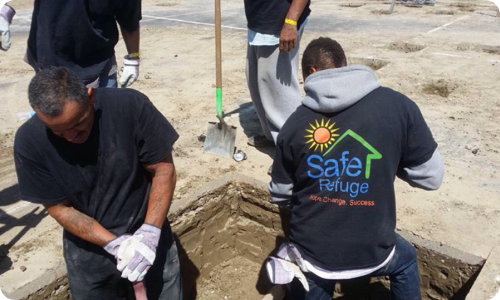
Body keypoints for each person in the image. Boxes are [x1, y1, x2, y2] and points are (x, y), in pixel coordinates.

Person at [267, 37, 444, 300]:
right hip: (374, 249)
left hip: (314, 252)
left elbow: (280, 195)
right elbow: (431, 178)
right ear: (344, 65)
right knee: (405, 261)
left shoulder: (293, 124)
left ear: (312, 72)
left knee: (311, 276)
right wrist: (390, 162)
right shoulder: (398, 106)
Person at [14, 67, 182, 299]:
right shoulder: (30, 141)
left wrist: (151, 232)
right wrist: (114, 244)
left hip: (148, 235)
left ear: (90, 97)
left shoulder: (130, 107)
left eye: (77, 124)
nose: (71, 136)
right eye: (58, 132)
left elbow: (163, 169)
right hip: (89, 252)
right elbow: (59, 208)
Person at [4, 1, 142, 88]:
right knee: (55, 122)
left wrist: (133, 60)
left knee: (103, 121)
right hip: (47, 56)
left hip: (97, 64)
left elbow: (130, 22)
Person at [244, 0, 311, 148]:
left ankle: (292, 151)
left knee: (280, 91)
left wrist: (290, 21)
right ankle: (273, 137)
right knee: (257, 83)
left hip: (279, 24)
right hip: (260, 22)